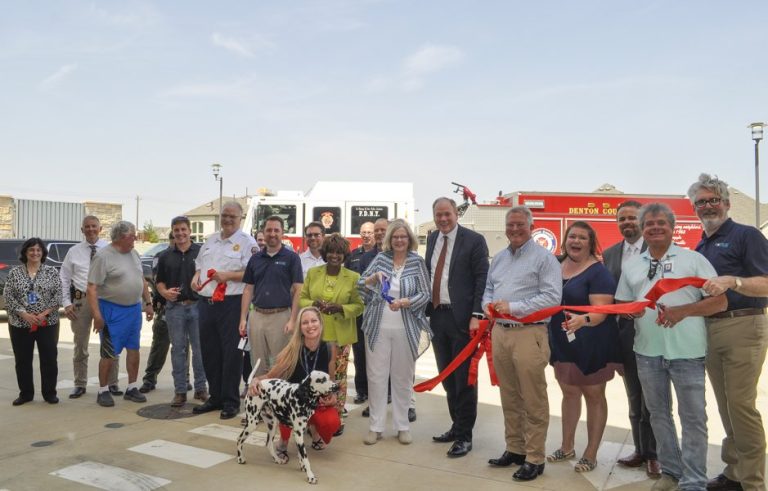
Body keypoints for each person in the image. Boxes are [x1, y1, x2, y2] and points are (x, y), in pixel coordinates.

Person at [615, 203, 726, 491]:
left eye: (661, 223)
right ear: (643, 228)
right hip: (647, 352)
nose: (654, 227)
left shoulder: (694, 259)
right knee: (659, 417)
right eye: (649, 223)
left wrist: (684, 311)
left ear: (672, 227)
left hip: (688, 353)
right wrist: (631, 311)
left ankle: (694, 481)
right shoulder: (632, 265)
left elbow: (720, 301)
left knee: (693, 419)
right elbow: (622, 304)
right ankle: (672, 473)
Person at [688, 174, 768, 491]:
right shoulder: (700, 244)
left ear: (726, 203)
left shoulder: (746, 236)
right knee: (725, 405)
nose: (707, 206)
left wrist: (733, 281)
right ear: (694, 208)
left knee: (741, 406)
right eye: (701, 202)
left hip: (743, 324)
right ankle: (734, 473)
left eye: (713, 200)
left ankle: (753, 483)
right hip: (710, 328)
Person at [482, 206, 562, 482]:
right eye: (510, 225)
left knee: (533, 398)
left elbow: (552, 299)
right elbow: (489, 289)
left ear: (531, 226)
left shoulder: (545, 259)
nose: (514, 229)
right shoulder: (500, 258)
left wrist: (512, 307)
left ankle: (535, 457)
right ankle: (514, 448)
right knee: (510, 396)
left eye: (520, 225)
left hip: (530, 333)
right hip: (501, 333)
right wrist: (488, 306)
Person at [546, 221, 621, 472]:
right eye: (572, 237)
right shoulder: (555, 265)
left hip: (592, 343)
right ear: (565, 240)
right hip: (562, 342)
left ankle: (590, 453)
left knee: (594, 396)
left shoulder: (598, 272)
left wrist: (583, 319)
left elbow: (601, 311)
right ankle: (566, 446)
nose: (575, 241)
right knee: (568, 393)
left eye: (582, 238)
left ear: (591, 243)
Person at [357, 219, 431, 446]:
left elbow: (425, 293)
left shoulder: (417, 262)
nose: (399, 240)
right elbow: (360, 284)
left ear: (409, 239)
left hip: (405, 326)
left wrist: (406, 302)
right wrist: (373, 278)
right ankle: (376, 426)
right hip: (378, 326)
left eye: (404, 236)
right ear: (390, 239)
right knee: (376, 376)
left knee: (402, 377)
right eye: (396, 236)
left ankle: (402, 426)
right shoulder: (381, 259)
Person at [425, 198, 489, 458]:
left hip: (463, 320)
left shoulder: (474, 240)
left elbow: (482, 278)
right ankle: (456, 425)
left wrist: (476, 314)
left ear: (456, 214)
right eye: (438, 215)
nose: (443, 219)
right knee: (447, 377)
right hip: (438, 317)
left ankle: (465, 436)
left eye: (447, 214)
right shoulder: (432, 239)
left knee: (464, 379)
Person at [602, 200, 660, 477]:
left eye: (631, 218)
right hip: (624, 335)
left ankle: (655, 454)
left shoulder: (658, 249)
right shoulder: (611, 254)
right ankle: (639, 449)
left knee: (655, 398)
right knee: (634, 395)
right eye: (621, 218)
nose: (626, 222)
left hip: (655, 333)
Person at [192, 201, 256, 419]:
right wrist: (195, 278)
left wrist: (228, 276)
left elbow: (252, 272)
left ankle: (230, 400)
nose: (227, 219)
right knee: (209, 352)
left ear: (240, 218)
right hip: (207, 303)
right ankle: (215, 396)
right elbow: (199, 265)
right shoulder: (211, 240)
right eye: (225, 215)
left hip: (231, 302)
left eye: (232, 216)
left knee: (231, 354)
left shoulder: (247, 243)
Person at [249, 306, 341, 455]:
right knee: (284, 403)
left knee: (332, 422)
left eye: (313, 321)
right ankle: (283, 441)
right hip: (293, 403)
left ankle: (314, 430)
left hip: (316, 401)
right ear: (300, 327)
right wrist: (255, 381)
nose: (310, 326)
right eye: (305, 323)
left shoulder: (329, 348)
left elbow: (331, 379)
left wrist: (333, 397)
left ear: (321, 323)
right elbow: (269, 376)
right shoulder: (292, 350)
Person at [300, 234, 364, 435]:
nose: (335, 256)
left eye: (339, 252)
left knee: (337, 379)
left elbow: (359, 306)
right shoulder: (313, 273)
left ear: (345, 255)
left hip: (340, 337)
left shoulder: (353, 278)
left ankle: (336, 416)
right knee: (313, 376)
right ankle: (313, 415)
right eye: (331, 252)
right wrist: (313, 304)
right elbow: (301, 299)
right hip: (314, 336)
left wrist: (341, 308)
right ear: (325, 253)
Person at [87, 221, 155, 407]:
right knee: (109, 353)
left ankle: (132, 387)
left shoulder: (133, 253)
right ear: (121, 237)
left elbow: (141, 278)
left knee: (134, 349)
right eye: (132, 235)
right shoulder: (103, 257)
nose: (136, 238)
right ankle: (103, 390)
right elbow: (92, 288)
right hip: (111, 310)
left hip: (133, 310)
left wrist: (148, 303)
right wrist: (97, 315)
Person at [59, 215, 121, 399]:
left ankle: (112, 383)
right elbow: (64, 277)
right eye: (87, 227)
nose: (91, 229)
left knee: (110, 342)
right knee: (80, 344)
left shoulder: (111, 250)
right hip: (82, 302)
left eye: (94, 226)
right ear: (82, 230)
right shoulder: (74, 251)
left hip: (106, 300)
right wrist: (66, 303)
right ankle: (79, 383)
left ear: (100, 229)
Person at [240, 215, 303, 378]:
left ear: (282, 233)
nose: (272, 233)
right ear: (264, 232)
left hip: (281, 317)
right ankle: (261, 400)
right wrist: (243, 318)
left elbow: (298, 290)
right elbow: (248, 289)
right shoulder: (255, 259)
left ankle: (280, 400)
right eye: (269, 230)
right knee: (258, 363)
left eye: (276, 230)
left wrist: (293, 319)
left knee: (280, 364)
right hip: (257, 317)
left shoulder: (292, 258)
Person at [3, 238, 62, 405]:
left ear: (42, 253)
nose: (35, 253)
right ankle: (26, 393)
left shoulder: (51, 271)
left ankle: (49, 393)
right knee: (22, 360)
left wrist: (44, 313)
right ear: (25, 253)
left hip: (47, 323)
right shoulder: (15, 273)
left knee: (49, 358)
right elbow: (8, 297)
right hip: (20, 323)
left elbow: (58, 295)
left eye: (38, 250)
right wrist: (24, 314)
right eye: (31, 250)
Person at [156, 216, 208, 407]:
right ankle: (180, 391)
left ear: (190, 231)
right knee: (178, 350)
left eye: (183, 229)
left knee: (200, 349)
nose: (180, 233)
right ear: (172, 232)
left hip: (197, 307)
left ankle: (201, 388)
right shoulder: (165, 256)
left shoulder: (202, 252)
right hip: (174, 309)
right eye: (176, 230)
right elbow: (159, 281)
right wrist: (163, 292)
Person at [344, 221, 375, 405]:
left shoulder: (381, 255)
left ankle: (378, 390)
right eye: (363, 232)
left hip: (376, 311)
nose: (366, 235)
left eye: (369, 232)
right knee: (360, 353)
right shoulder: (353, 256)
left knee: (376, 353)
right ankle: (362, 390)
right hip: (358, 312)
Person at [140, 231, 173, 393]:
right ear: (170, 239)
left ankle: (186, 379)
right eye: (174, 237)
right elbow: (157, 279)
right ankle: (150, 379)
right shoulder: (161, 256)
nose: (178, 240)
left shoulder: (193, 254)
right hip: (164, 308)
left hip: (185, 308)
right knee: (159, 345)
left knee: (182, 347)